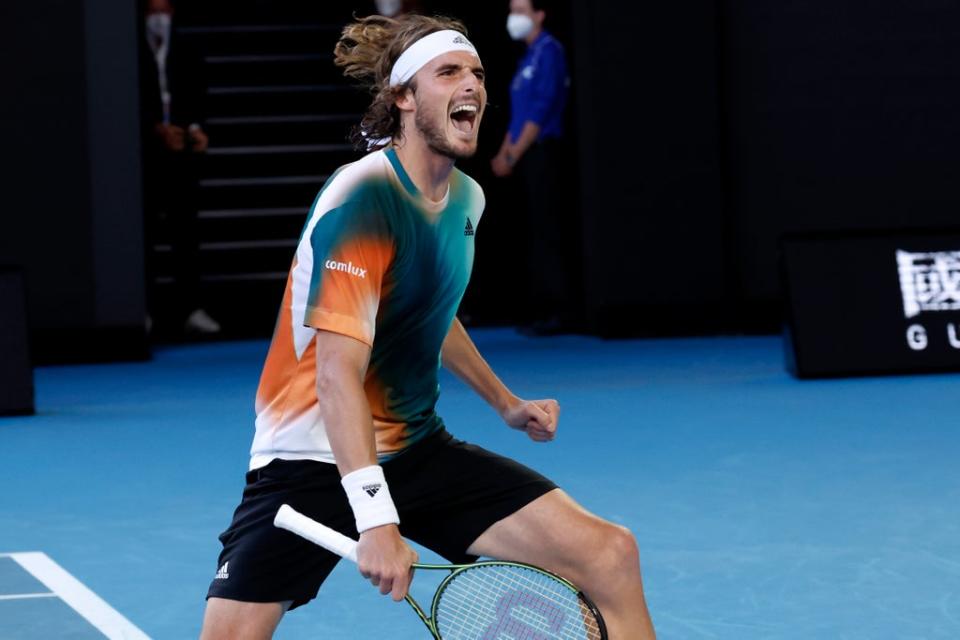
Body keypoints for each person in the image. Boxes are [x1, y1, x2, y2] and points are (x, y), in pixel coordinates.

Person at [200, 14, 656, 640]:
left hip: (417, 450)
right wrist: (376, 519)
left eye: (476, 73)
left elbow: (428, 312)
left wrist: (504, 403)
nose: (471, 84)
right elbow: (336, 376)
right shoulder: (362, 199)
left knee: (610, 553)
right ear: (404, 98)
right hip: (312, 458)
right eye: (449, 72)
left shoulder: (466, 200)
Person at [491, 0, 574, 335]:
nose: (514, 17)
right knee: (533, 231)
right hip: (523, 153)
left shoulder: (549, 51)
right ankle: (537, 305)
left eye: (521, 10)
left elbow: (539, 112)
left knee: (548, 230)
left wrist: (513, 154)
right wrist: (504, 152)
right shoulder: (526, 57)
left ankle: (557, 308)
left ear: (540, 14)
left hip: (542, 150)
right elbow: (519, 113)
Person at [142, 0, 221, 336]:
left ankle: (191, 308)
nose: (159, 18)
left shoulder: (186, 48)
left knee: (185, 233)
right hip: (144, 158)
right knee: (143, 235)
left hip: (182, 157)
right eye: (153, 10)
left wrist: (194, 128)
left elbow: (197, 94)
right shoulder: (131, 51)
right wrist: (153, 130)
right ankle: (142, 309)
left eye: (165, 10)